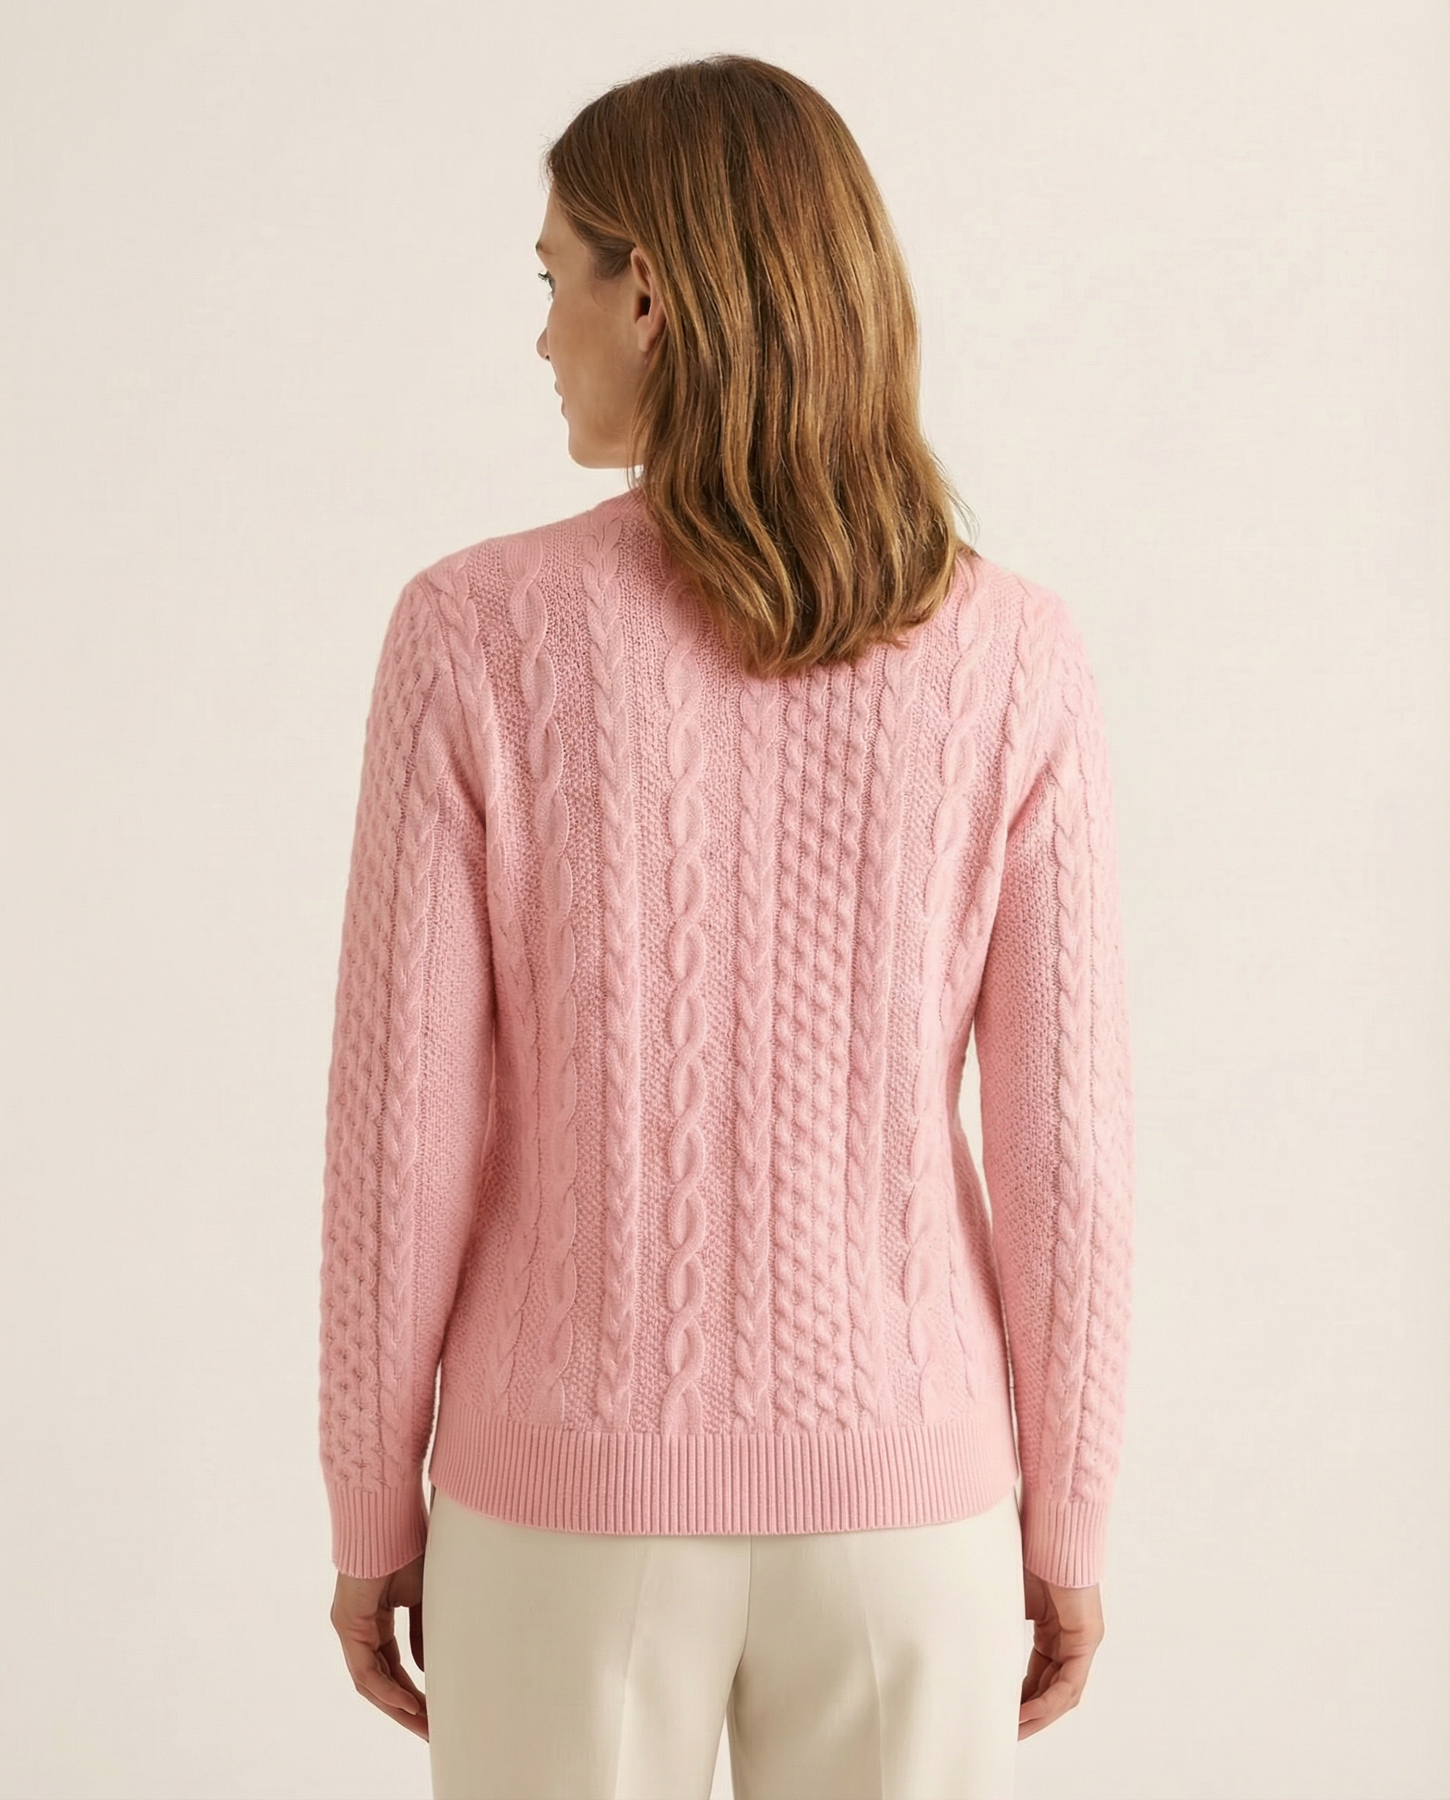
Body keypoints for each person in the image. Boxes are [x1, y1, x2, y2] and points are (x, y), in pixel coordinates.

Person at [318, 53, 1134, 1800]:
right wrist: (1066, 1516)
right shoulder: (1015, 653)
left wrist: (370, 1508)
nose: (541, 333)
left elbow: (399, 1138)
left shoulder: (472, 634)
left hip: (560, 1513)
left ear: (652, 294)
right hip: (907, 1510)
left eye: (555, 276)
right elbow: (1068, 1152)